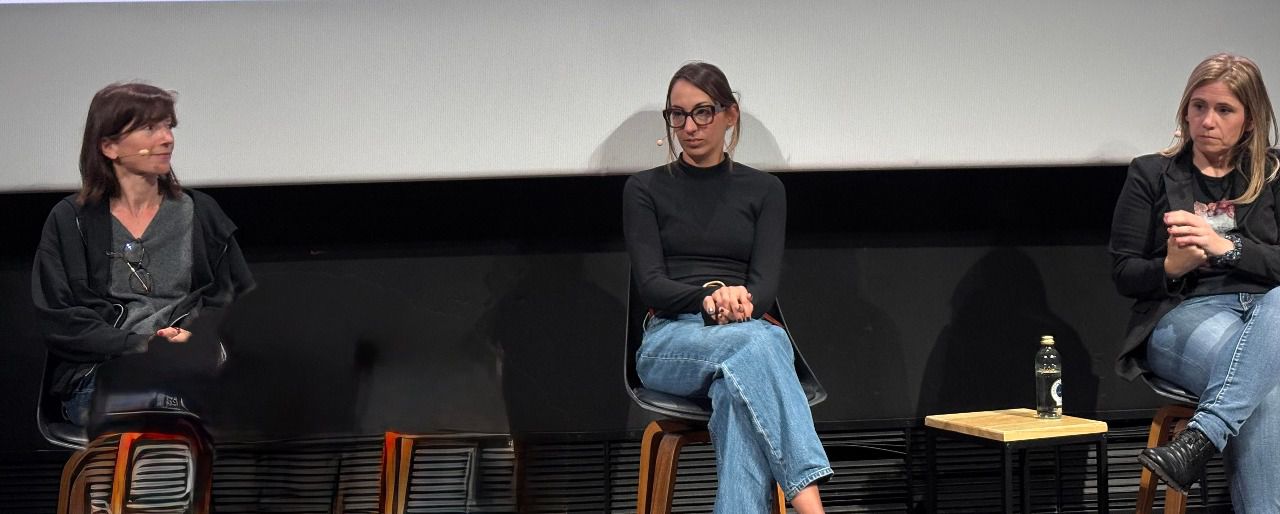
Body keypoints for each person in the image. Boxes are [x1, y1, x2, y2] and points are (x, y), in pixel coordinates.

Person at [622, 62, 831, 514]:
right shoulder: (644, 189)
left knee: (738, 393)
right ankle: (812, 506)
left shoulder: (765, 190)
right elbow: (652, 286)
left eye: (702, 112)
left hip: (743, 330)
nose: (689, 127)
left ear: (730, 114)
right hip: (670, 341)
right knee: (765, 342)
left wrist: (733, 306)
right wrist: (708, 299)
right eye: (677, 115)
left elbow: (763, 289)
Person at [1110, 53, 1280, 511]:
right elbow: (1124, 273)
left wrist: (1228, 247)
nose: (1207, 121)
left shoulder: (1274, 174)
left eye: (1224, 110)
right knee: (1267, 385)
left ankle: (1200, 437)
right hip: (1185, 313)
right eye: (1198, 106)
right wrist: (1171, 266)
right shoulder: (1150, 173)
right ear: (1185, 110)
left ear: (1249, 120)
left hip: (1270, 313)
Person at [32, 82, 254, 428]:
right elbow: (60, 318)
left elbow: (239, 306)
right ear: (109, 147)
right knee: (160, 408)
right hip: (105, 373)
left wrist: (200, 341)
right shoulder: (70, 221)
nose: (167, 139)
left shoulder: (201, 213)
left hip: (191, 369)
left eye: (169, 126)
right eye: (150, 128)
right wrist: (142, 344)